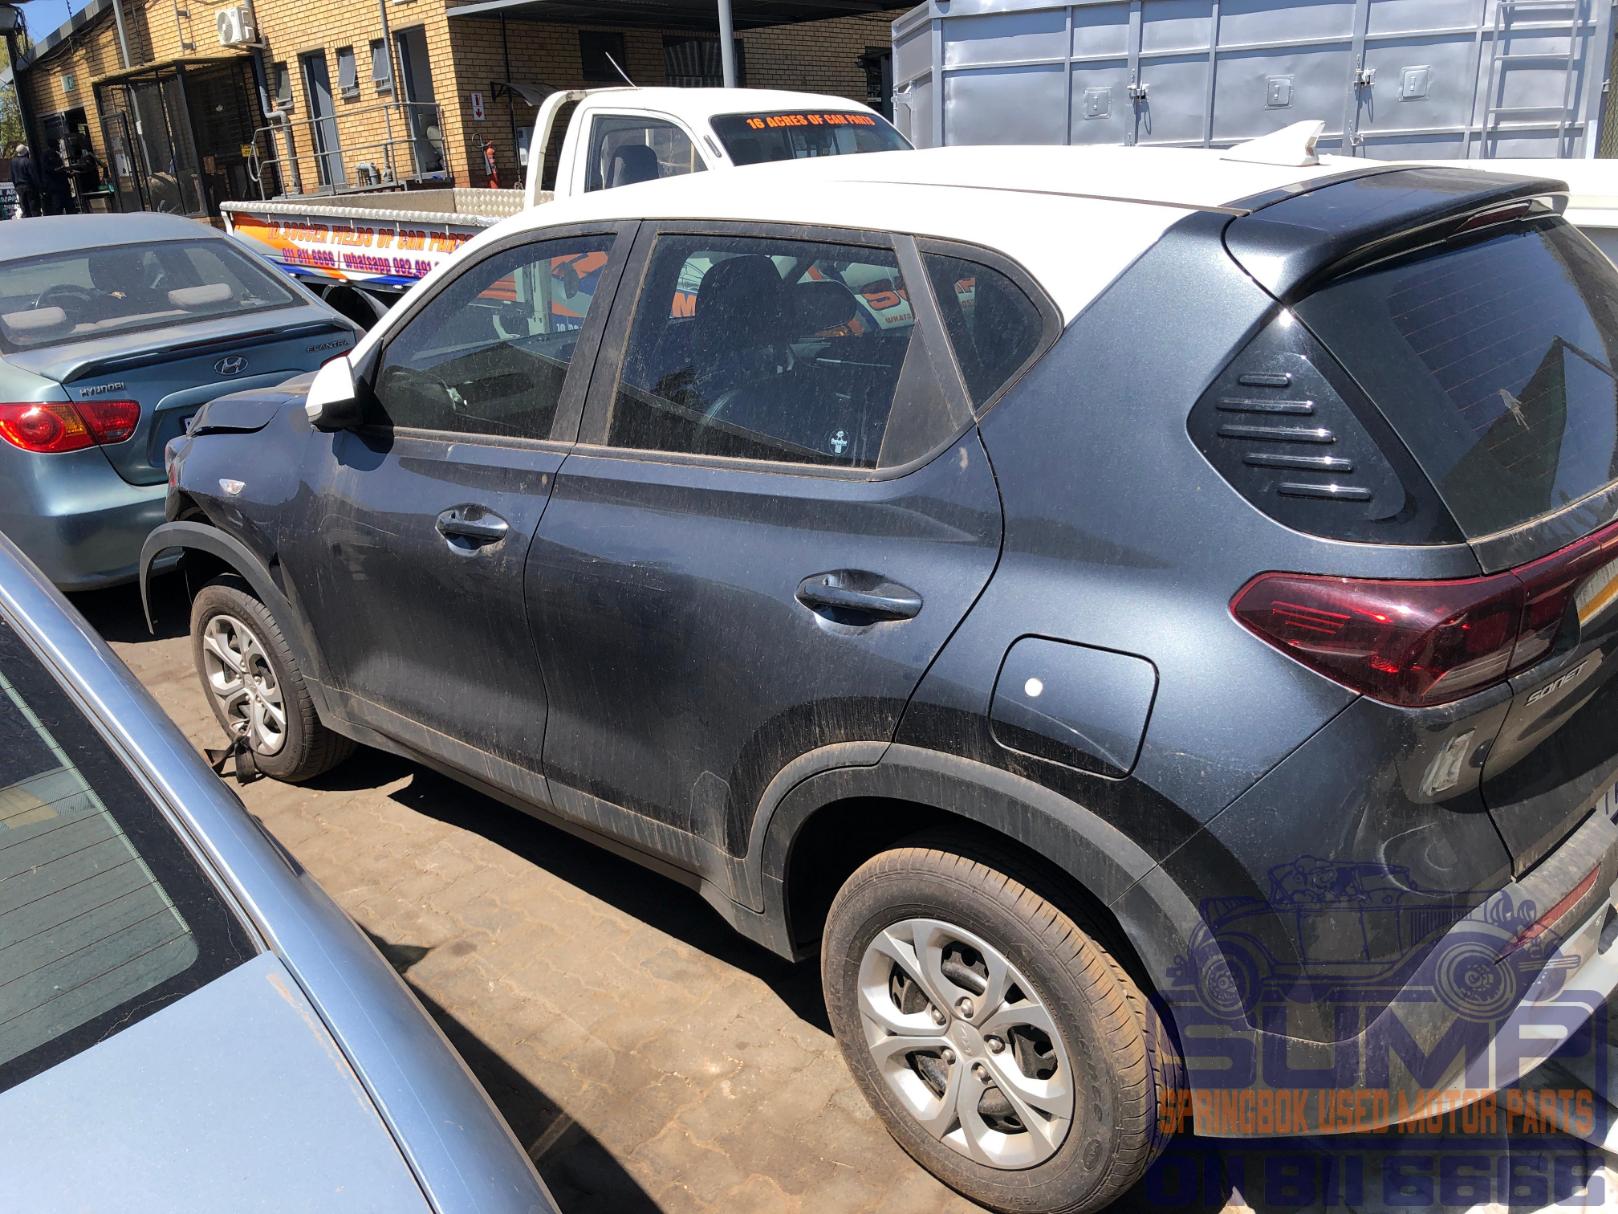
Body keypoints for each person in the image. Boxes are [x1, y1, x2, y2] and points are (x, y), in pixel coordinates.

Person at [40, 142, 74, 215]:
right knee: (58, 206)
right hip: (55, 186)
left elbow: (60, 170)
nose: (58, 147)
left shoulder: (56, 155)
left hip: (62, 185)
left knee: (68, 206)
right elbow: (48, 169)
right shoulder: (48, 155)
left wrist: (67, 174)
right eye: (57, 145)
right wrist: (58, 170)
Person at [9, 144, 41, 217]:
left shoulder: (13, 162)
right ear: (26, 152)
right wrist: (39, 187)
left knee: (24, 209)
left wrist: (16, 186)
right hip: (29, 187)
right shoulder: (28, 162)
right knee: (34, 209)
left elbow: (12, 176)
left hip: (19, 188)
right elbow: (34, 176)